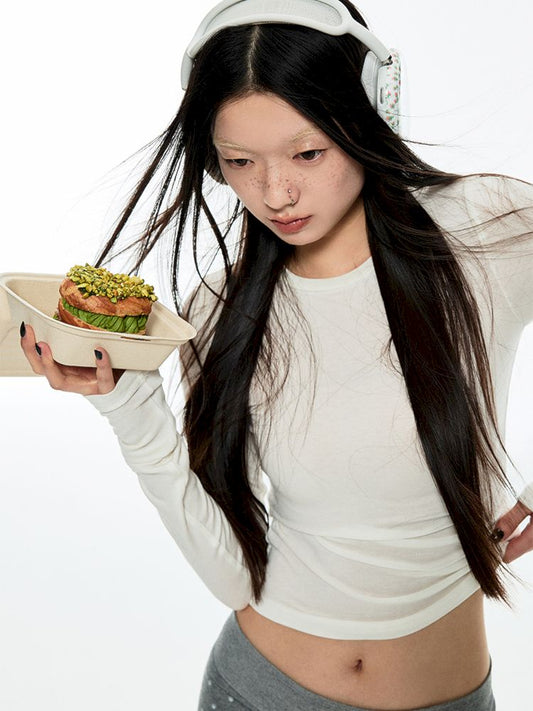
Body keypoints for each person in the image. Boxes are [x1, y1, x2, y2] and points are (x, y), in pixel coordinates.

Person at [19, 0, 533, 709]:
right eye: (239, 162)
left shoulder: (489, 229)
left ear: (370, 113)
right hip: (258, 688)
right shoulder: (218, 310)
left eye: (307, 153)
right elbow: (233, 576)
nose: (275, 192)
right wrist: (130, 406)